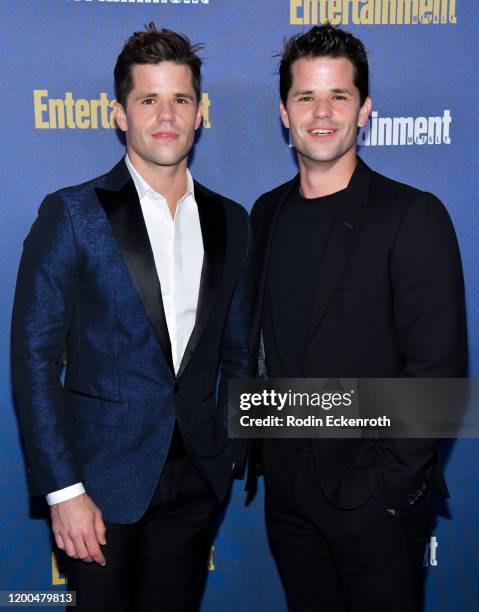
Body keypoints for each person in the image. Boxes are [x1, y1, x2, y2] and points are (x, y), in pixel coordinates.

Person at [11, 24, 250, 612]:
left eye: (180, 99)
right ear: (120, 113)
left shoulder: (232, 220)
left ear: (200, 112)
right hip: (96, 491)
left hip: (197, 483)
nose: (166, 116)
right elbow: (34, 360)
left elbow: (239, 349)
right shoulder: (72, 213)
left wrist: (229, 448)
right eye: (149, 99)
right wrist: (64, 490)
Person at [249, 24, 466, 612]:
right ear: (284, 113)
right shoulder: (265, 214)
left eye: (339, 96)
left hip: (373, 501)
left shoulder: (413, 215)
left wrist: (387, 489)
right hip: (287, 498)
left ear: (364, 109)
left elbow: (439, 370)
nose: (322, 113)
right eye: (306, 97)